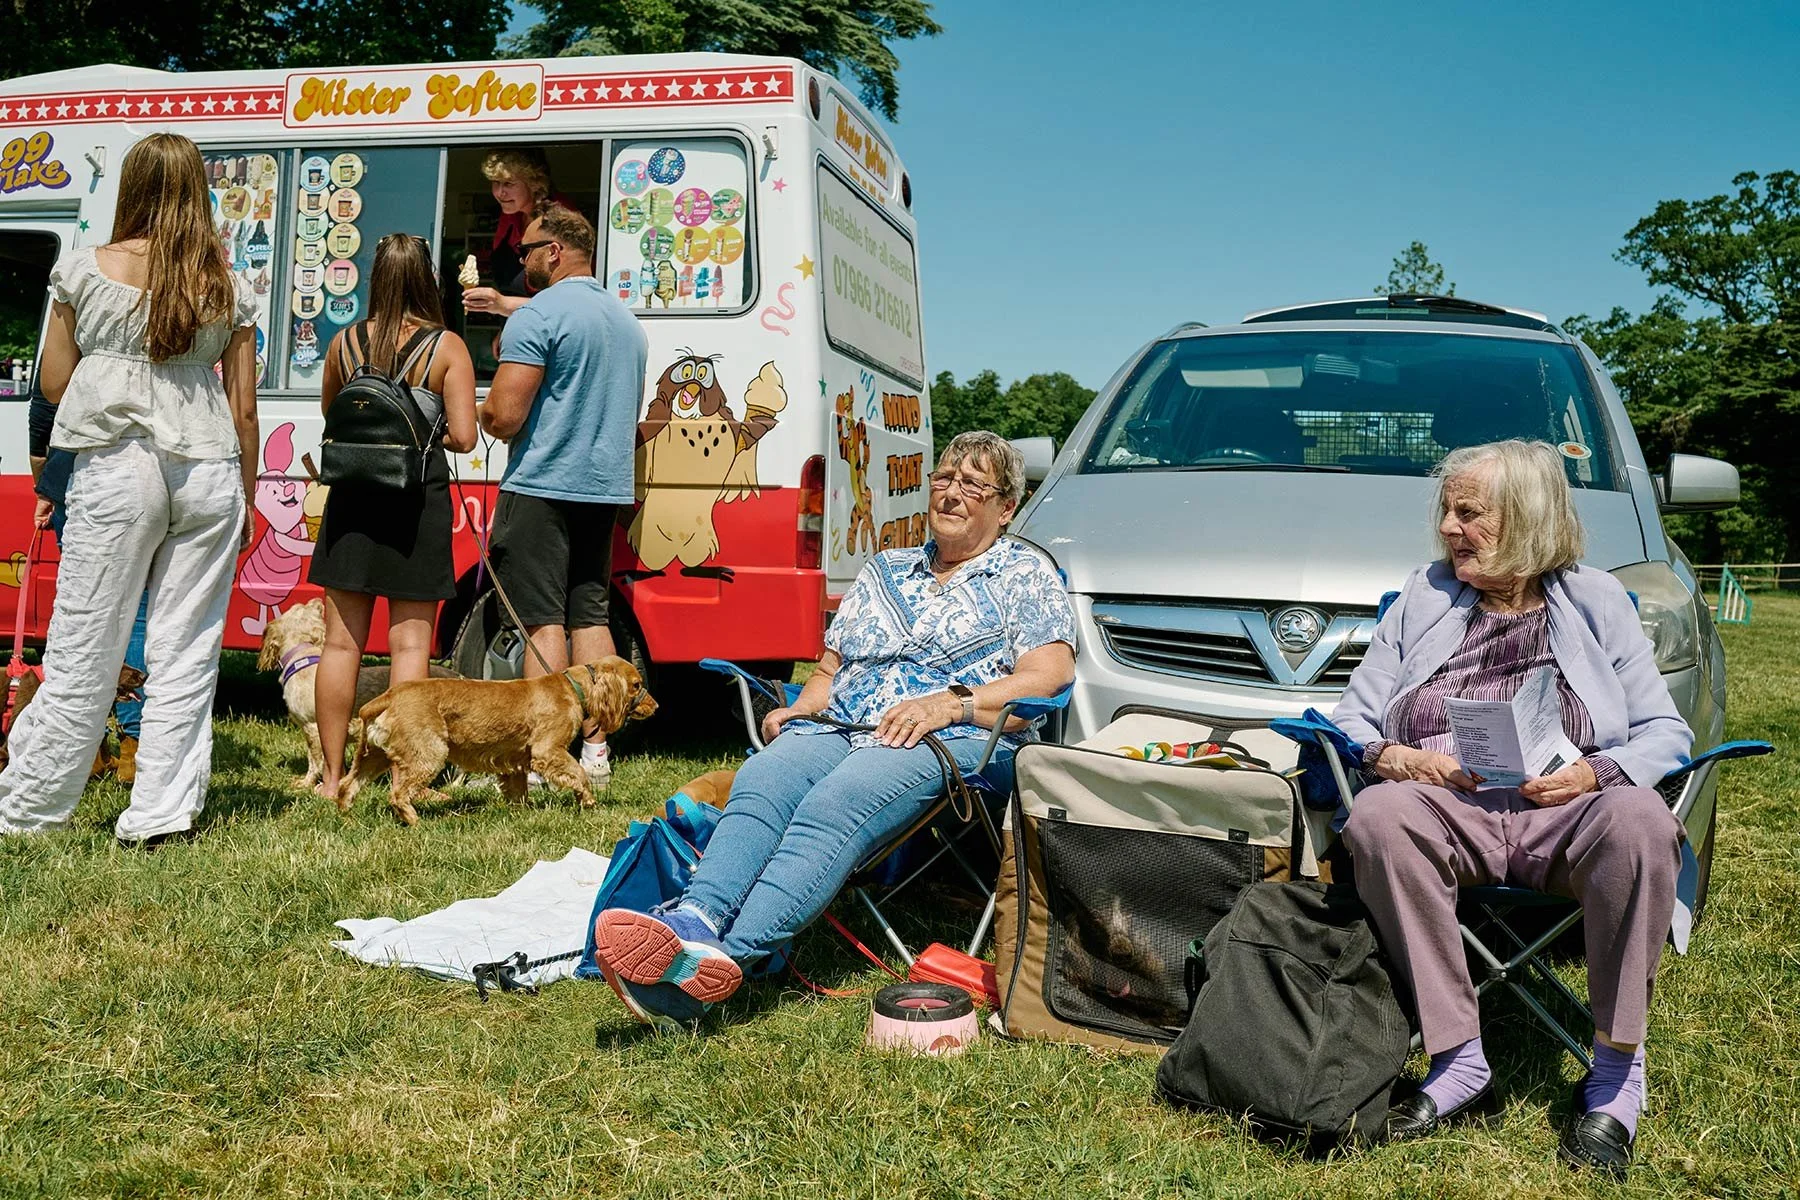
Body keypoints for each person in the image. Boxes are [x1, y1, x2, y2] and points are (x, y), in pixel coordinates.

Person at [590, 432, 1078, 1030]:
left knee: (835, 803)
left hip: (954, 738)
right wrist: (805, 708)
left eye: (973, 485)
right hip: (843, 722)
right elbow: (830, 669)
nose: (952, 493)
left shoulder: (1023, 571)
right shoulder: (887, 567)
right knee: (765, 778)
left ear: (1005, 508)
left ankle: (723, 963)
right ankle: (697, 917)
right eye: (945, 478)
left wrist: (950, 703)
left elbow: (1048, 676)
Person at [1330, 439, 1692, 1173]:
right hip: (1448, 806)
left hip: (1564, 813)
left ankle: (1618, 1076)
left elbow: (1666, 729)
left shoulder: (1597, 603)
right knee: (1377, 815)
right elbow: (1349, 719)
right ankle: (1460, 1057)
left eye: (1469, 513)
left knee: (1643, 820)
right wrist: (1397, 759)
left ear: (1527, 521)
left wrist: (1597, 774)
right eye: (1446, 511)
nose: (1449, 529)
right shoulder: (1425, 596)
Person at [0, 132, 259, 846]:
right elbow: (243, 408)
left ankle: (30, 811)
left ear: (134, 188)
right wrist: (248, 493)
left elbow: (53, 383)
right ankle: (161, 815)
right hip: (208, 465)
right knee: (188, 647)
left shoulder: (85, 270)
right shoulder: (225, 285)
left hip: (118, 466)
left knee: (87, 644)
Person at [479, 203, 648, 788]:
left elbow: (504, 415)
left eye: (526, 249)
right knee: (590, 615)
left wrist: (474, 408)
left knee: (540, 620)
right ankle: (596, 753)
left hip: (542, 485)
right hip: (603, 491)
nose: (521, 260)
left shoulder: (541, 314)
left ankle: (540, 753)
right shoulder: (627, 323)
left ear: (554, 251)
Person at [309, 233, 478, 801]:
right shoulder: (445, 346)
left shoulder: (344, 342)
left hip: (352, 501)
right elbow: (462, 435)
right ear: (426, 279)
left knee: (340, 646)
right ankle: (401, 776)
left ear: (374, 278)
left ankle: (332, 779)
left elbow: (334, 413)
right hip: (416, 503)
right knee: (409, 649)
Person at [460, 148, 576, 320]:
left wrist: (503, 305)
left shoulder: (560, 220)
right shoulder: (509, 217)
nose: (500, 193)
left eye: (508, 183)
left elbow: (568, 304)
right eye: (495, 182)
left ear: (534, 183)